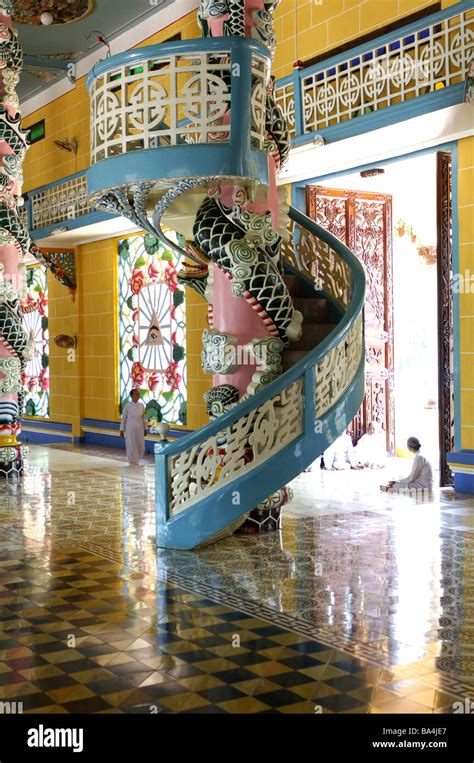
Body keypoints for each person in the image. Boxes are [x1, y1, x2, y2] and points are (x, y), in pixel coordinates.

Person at [120, 389, 147, 465]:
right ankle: (132, 460)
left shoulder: (142, 405)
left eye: (138, 394)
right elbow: (124, 418)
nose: (137, 396)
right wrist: (122, 430)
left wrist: (145, 428)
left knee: (140, 444)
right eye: (136, 394)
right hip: (130, 427)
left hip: (140, 427)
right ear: (131, 396)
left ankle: (138, 458)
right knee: (131, 444)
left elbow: (144, 418)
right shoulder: (127, 406)